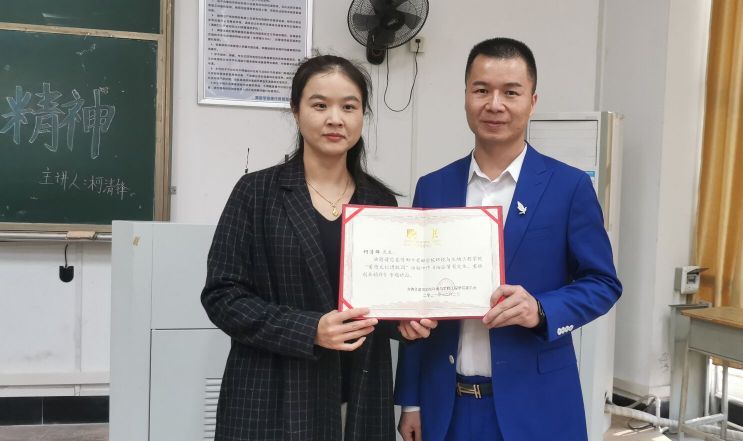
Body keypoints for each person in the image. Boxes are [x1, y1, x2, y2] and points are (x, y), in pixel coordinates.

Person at [394, 38, 622, 441]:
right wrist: (411, 401)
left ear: (532, 101)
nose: (494, 104)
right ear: (466, 97)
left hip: (537, 404)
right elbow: (417, 295)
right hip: (446, 404)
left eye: (511, 93)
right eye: (481, 90)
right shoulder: (433, 187)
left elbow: (603, 284)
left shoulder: (568, 187)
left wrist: (541, 309)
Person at [201, 55, 435, 441]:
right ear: (296, 112)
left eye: (349, 107)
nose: (335, 119)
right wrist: (310, 329)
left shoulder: (379, 202)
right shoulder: (256, 193)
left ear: (362, 116)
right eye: (320, 105)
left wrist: (403, 323)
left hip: (360, 398)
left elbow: (382, 298)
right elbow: (222, 296)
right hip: (274, 398)